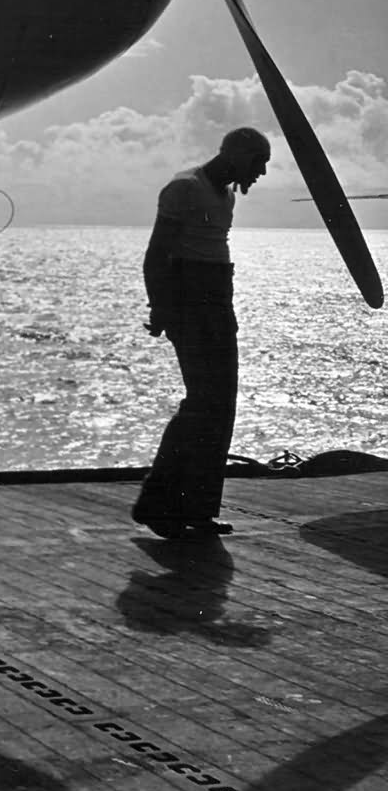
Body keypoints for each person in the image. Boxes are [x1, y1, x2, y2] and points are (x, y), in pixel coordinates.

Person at [132, 127, 271, 540]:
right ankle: (158, 504)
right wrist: (160, 307)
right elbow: (157, 255)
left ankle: (198, 508)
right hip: (189, 304)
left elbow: (215, 254)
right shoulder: (184, 189)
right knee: (202, 402)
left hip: (218, 302)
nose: (261, 173)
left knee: (221, 404)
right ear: (237, 155)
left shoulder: (226, 194)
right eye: (258, 162)